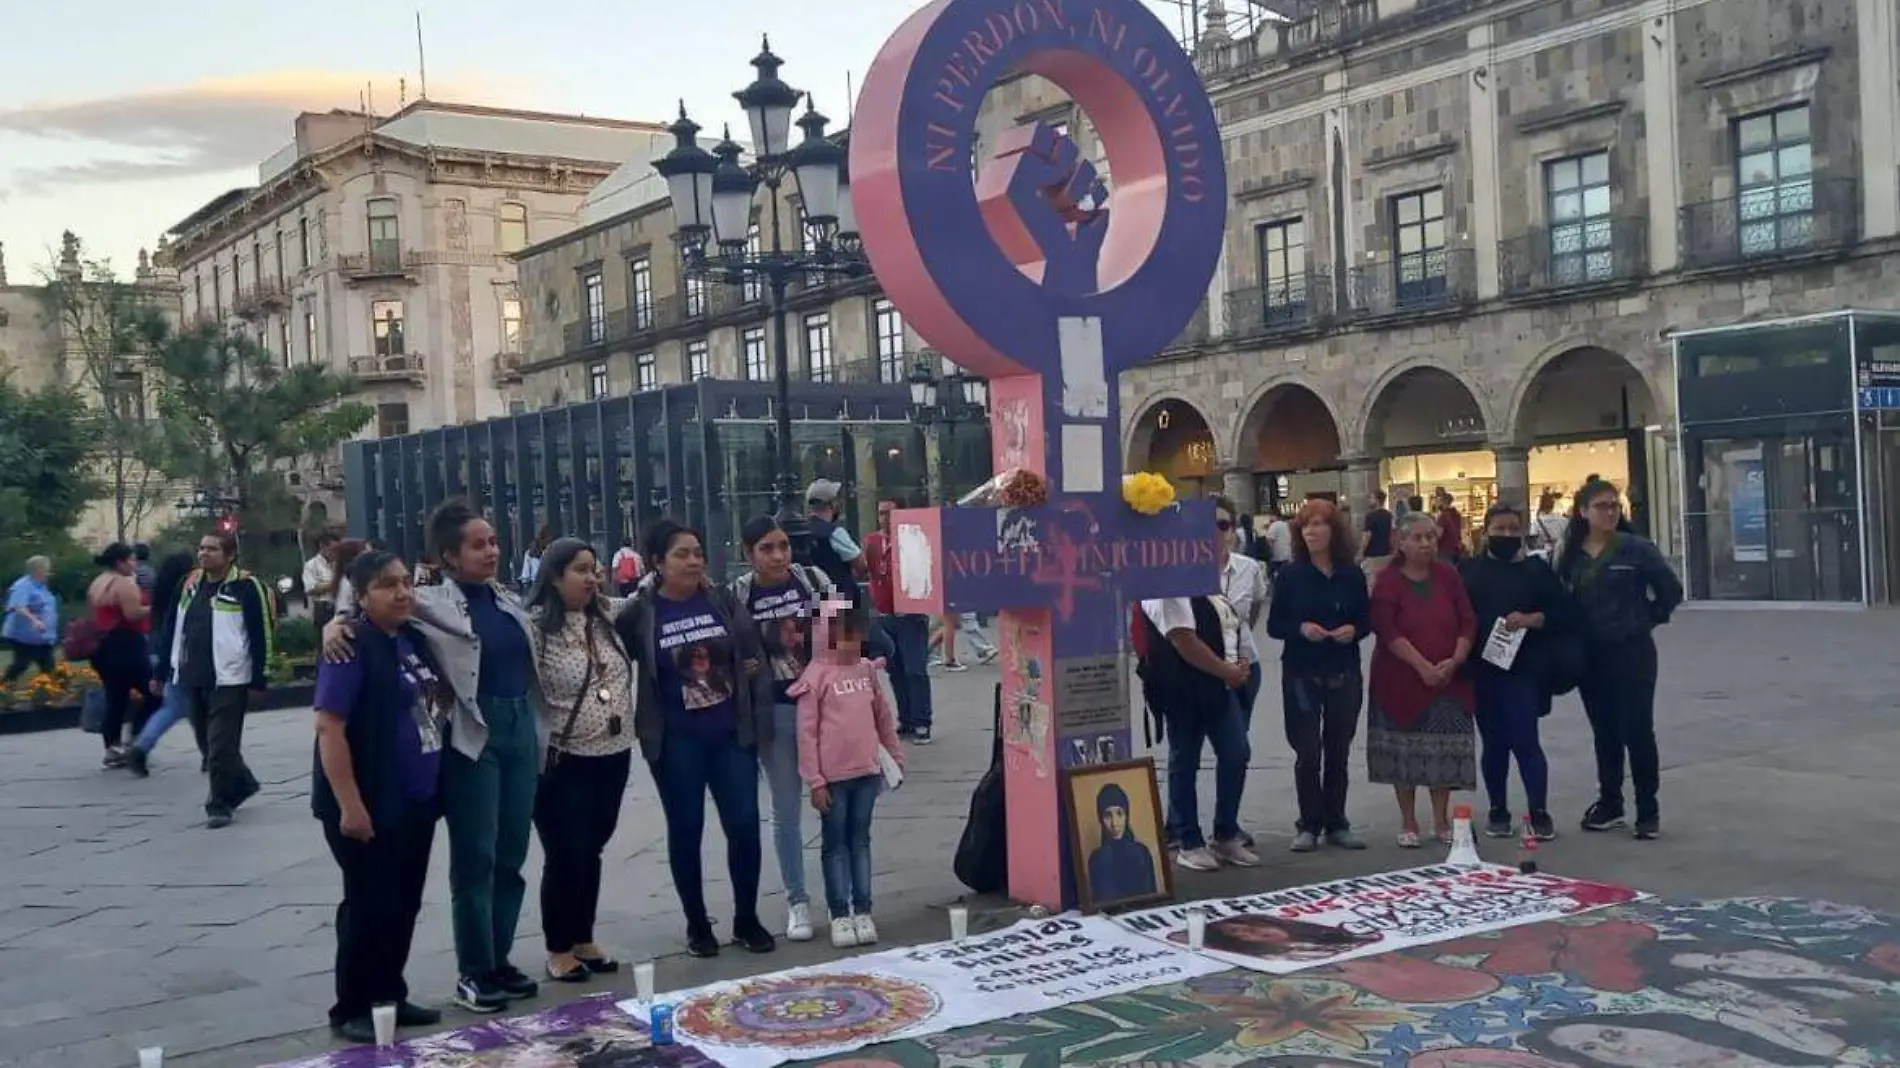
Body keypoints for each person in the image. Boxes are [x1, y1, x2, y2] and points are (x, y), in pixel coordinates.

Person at [325, 500, 545, 1014]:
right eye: (477, 544)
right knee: (477, 856)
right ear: (449, 555)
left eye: (492, 541)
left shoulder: (506, 597)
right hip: (475, 732)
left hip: (520, 730)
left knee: (512, 853)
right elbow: (368, 600)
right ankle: (474, 969)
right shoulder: (428, 601)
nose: (491, 551)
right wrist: (334, 623)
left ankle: (500, 956)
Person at [615, 519, 777, 959]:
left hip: (730, 735)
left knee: (744, 824)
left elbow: (753, 654)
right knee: (686, 829)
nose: (693, 561)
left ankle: (747, 918)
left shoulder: (720, 600)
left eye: (697, 552)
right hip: (676, 742)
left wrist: (758, 711)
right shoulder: (641, 612)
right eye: (682, 554)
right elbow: (611, 652)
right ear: (656, 563)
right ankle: (696, 923)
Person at [310, 550, 448, 1044]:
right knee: (368, 904)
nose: (403, 592)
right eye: (388, 585)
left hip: (414, 800)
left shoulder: (410, 640)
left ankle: (389, 992)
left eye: (407, 582)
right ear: (362, 595)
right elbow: (330, 728)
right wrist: (350, 804)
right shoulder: (351, 646)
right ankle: (352, 1005)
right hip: (366, 802)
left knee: (403, 903)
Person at [521, 537, 636, 984]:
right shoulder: (533, 628)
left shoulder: (606, 615)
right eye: (580, 570)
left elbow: (647, 593)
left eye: (595, 568)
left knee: (593, 848)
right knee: (565, 851)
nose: (592, 577)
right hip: (564, 759)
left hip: (614, 752)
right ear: (553, 576)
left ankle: (584, 937)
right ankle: (558, 948)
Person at [730, 515, 840, 943]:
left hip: (826, 708)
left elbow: (847, 638)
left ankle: (840, 893)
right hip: (774, 711)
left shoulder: (812, 579)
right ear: (749, 554)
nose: (778, 556)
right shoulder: (740, 593)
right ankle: (797, 899)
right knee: (786, 809)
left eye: (782, 546)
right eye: (767, 549)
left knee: (834, 800)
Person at [1559, 478, 1682, 840]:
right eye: (1602, 506)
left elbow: (1669, 590)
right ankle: (1610, 802)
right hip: (1590, 654)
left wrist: (1646, 618)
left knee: (1637, 730)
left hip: (1632, 651)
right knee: (1605, 731)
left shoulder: (1636, 549)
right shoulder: (1571, 553)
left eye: (1615, 505)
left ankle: (1648, 809)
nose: (1610, 512)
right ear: (1583, 512)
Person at [1138, 515, 1256, 873]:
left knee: (1236, 752)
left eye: (1222, 531)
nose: (1219, 539)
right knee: (1184, 759)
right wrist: (1228, 670)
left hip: (1219, 685)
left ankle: (1226, 832)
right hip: (1185, 688)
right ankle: (1188, 838)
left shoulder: (1208, 583)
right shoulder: (1167, 584)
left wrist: (1237, 665)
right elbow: (1183, 639)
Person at [790, 600, 903, 948]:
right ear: (826, 636)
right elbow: (806, 733)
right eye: (843, 636)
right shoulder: (815, 677)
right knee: (835, 844)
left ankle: (864, 909)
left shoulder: (866, 670)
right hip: (833, 779)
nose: (852, 644)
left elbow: (883, 716)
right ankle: (840, 912)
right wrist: (816, 780)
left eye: (856, 635)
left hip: (867, 772)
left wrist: (895, 755)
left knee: (861, 840)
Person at [1265, 499, 1371, 852]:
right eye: (1305, 525)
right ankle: (1308, 823)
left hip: (1343, 670)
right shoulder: (1291, 575)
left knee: (1338, 749)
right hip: (1301, 672)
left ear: (1334, 530)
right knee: (1308, 752)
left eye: (1319, 524)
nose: (1311, 531)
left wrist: (1353, 630)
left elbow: (1367, 621)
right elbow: (1274, 625)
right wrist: (1300, 628)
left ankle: (1337, 821)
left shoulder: (1351, 574)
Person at [1460, 503, 1570, 840]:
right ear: (1486, 532)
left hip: (1525, 669)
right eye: (1500, 529)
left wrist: (1535, 619)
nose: (1507, 535)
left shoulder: (1537, 573)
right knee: (1493, 744)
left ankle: (1538, 811)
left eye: (1513, 530)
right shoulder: (1469, 572)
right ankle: (1498, 809)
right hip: (1483, 669)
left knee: (1526, 741)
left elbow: (1565, 613)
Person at [1368, 512, 1477, 848]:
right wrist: (1422, 666)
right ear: (1401, 541)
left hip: (1449, 678)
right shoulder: (1388, 579)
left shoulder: (1448, 574)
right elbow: (1387, 629)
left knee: (1442, 751)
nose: (1426, 543)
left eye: (1431, 536)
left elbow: (1468, 620)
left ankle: (1441, 820)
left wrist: (1455, 659)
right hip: (1399, 678)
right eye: (1417, 537)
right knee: (1404, 752)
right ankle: (1408, 820)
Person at [155, 531, 274, 828]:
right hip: (193, 674)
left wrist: (260, 677)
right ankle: (243, 782)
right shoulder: (189, 584)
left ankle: (218, 804)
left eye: (212, 549)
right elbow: (171, 626)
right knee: (208, 743)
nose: (204, 554)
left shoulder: (246, 587)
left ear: (230, 554)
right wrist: (162, 671)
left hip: (231, 678)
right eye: (202, 548)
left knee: (221, 744)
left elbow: (262, 634)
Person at [862, 500, 936, 743]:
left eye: (889, 513)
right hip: (885, 616)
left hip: (911, 615)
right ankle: (906, 720)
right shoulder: (872, 541)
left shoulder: (912, 538)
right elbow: (866, 570)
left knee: (915, 669)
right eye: (881, 513)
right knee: (896, 672)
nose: (884, 517)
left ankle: (922, 721)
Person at [123, 552, 202, 777]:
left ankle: (141, 746)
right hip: (184, 654)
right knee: (183, 707)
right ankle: (142, 747)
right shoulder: (187, 591)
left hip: (160, 650)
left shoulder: (161, 592)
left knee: (179, 706)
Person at [87, 543, 152, 767]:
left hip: (103, 646)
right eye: (132, 560)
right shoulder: (124, 583)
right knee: (155, 692)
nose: (135, 564)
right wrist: (155, 608)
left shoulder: (98, 582)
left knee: (116, 696)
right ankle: (136, 738)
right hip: (127, 643)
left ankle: (112, 747)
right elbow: (132, 614)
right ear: (120, 562)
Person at [1085, 782, 1157, 904]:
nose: (1114, 823)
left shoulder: (1141, 853)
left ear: (1126, 815)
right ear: (1100, 819)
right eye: (1108, 815)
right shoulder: (1097, 859)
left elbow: (1151, 899)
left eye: (1119, 813)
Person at [804, 479, 867, 595]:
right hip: (839, 599)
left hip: (811, 600)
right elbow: (861, 565)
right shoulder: (835, 533)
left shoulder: (801, 530)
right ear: (832, 504)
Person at [4, 555, 58, 684]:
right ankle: (4, 686)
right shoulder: (23, 586)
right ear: (38, 570)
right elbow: (19, 607)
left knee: (48, 666)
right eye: (46, 569)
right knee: (21, 664)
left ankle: (50, 692)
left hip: (41, 637)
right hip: (25, 636)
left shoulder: (41, 586)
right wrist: (35, 621)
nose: (48, 572)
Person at [304, 532, 340, 630]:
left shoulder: (341, 564)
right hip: (323, 608)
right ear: (323, 546)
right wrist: (334, 583)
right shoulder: (311, 565)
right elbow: (311, 589)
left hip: (340, 606)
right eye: (333, 549)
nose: (335, 552)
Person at [1360, 490, 1395, 582]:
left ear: (1377, 500)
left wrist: (1360, 552)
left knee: (1371, 583)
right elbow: (1393, 534)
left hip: (1372, 555)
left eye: (1371, 498)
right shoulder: (1389, 515)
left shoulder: (1370, 516)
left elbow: (1367, 536)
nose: (1369, 500)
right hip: (1386, 554)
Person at [1263, 506, 1294, 582]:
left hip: (1277, 557)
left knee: (1272, 578)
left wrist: (1268, 553)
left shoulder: (1274, 525)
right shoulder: (1287, 525)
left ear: (1273, 515)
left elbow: (1270, 541)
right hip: (1288, 556)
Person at [1532, 491, 1568, 556]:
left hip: (1545, 555)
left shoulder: (1536, 523)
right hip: (1562, 553)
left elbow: (1535, 543)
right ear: (1553, 505)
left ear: (1541, 505)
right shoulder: (1564, 520)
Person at [1434, 488, 1467, 559]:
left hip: (1445, 551)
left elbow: (1438, 535)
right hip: (1456, 548)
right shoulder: (1457, 514)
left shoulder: (1443, 517)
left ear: (1442, 502)